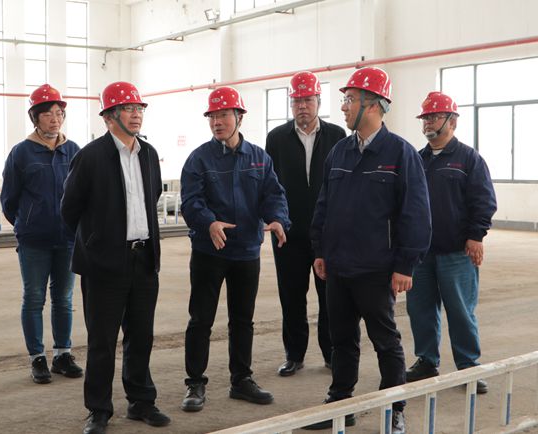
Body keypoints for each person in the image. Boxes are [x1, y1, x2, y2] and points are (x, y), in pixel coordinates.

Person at [306, 67, 431, 433]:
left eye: (350, 99)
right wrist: (320, 250)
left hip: (377, 269)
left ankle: (394, 409)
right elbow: (324, 205)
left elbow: (416, 214)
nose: (343, 107)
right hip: (339, 266)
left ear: (374, 105)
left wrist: (406, 264)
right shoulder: (340, 152)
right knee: (342, 341)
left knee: (385, 342)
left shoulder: (400, 154)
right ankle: (340, 404)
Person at [61, 82, 170, 433]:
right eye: (128, 108)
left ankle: (141, 401)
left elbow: (152, 196)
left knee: (141, 336)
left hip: (143, 259)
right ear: (109, 117)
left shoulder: (149, 154)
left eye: (139, 108)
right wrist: (96, 241)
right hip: (104, 264)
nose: (136, 114)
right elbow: (69, 208)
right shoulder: (90, 157)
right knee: (102, 341)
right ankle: (99, 409)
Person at [180, 86, 291, 412]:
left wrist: (278, 219)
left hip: (246, 252)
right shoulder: (199, 158)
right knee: (201, 319)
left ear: (239, 117)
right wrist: (209, 222)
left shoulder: (259, 158)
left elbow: (273, 194)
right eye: (213, 116)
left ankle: (241, 379)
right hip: (209, 251)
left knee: (243, 320)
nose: (217, 122)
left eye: (224, 115)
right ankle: (195, 383)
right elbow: (191, 200)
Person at [405, 91, 497, 394]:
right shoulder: (417, 159)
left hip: (457, 252)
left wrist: (476, 236)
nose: (428, 122)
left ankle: (469, 366)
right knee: (420, 310)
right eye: (425, 118)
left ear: (452, 121)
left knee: (460, 311)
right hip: (421, 253)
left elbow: (484, 200)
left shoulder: (469, 159)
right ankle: (426, 360)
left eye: (434, 117)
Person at [1, 83, 83, 385]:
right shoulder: (21, 153)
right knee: (34, 298)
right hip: (34, 241)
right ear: (35, 118)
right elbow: (9, 199)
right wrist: (26, 224)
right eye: (48, 114)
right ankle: (37, 357)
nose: (54, 119)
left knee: (64, 298)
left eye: (59, 113)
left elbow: (82, 193)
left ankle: (62, 354)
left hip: (67, 239)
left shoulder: (73, 151)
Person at [265, 71, 346, 376]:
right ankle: (294, 354)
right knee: (291, 297)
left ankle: (331, 352)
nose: (302, 106)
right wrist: (273, 218)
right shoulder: (276, 138)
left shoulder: (337, 136)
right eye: (297, 100)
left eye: (307, 100)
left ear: (318, 101)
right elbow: (269, 184)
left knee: (331, 297)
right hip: (288, 234)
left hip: (327, 234)